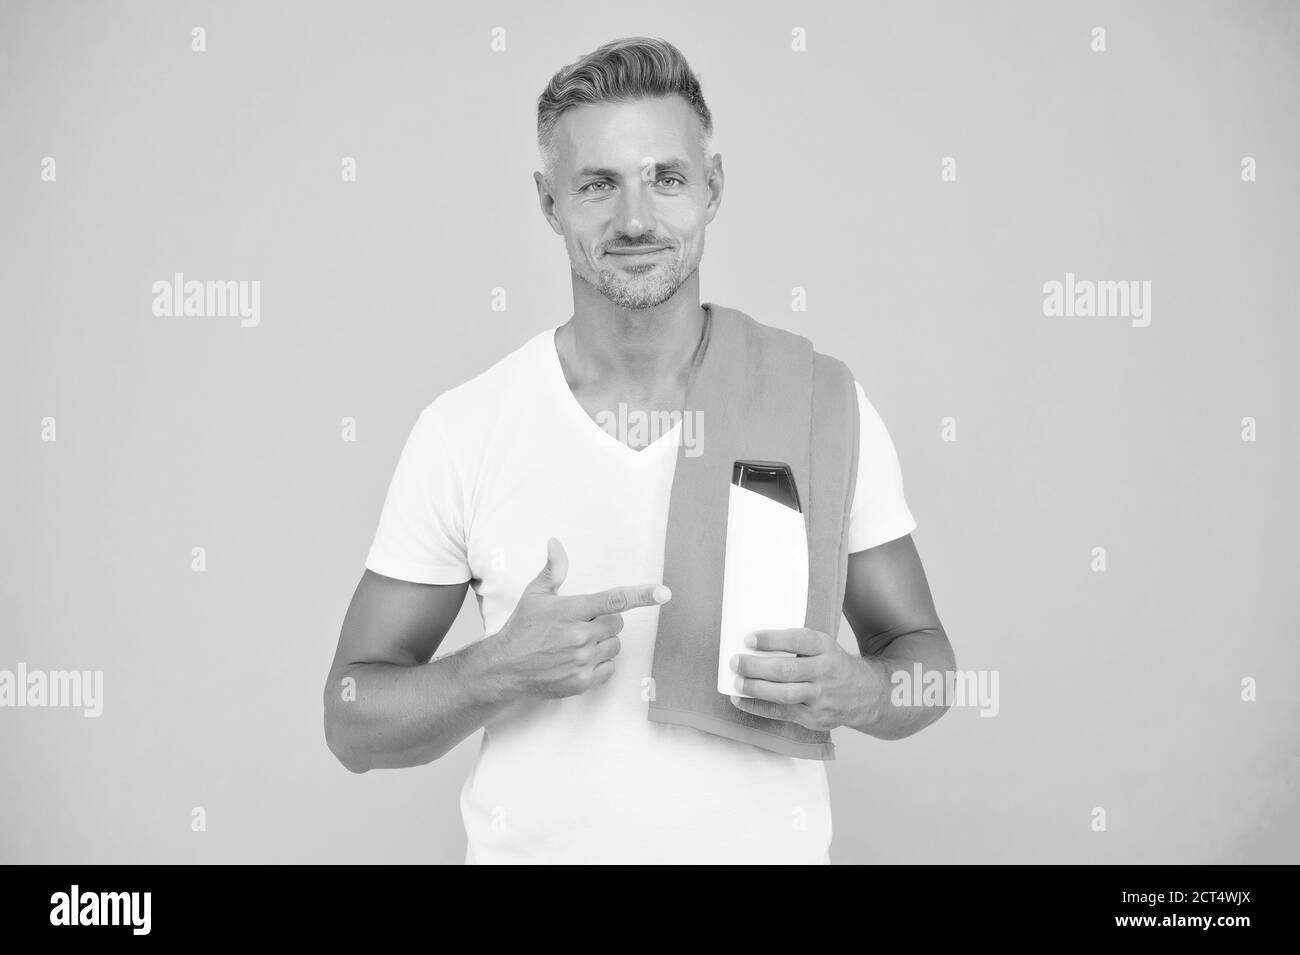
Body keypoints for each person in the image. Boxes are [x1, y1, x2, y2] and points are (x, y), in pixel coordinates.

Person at [323, 36, 955, 864]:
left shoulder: (817, 401)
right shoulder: (467, 429)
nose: (634, 219)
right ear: (549, 202)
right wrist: (497, 668)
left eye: (666, 178)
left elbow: (930, 666)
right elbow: (350, 718)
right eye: (598, 185)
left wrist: (861, 689)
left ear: (712, 188)